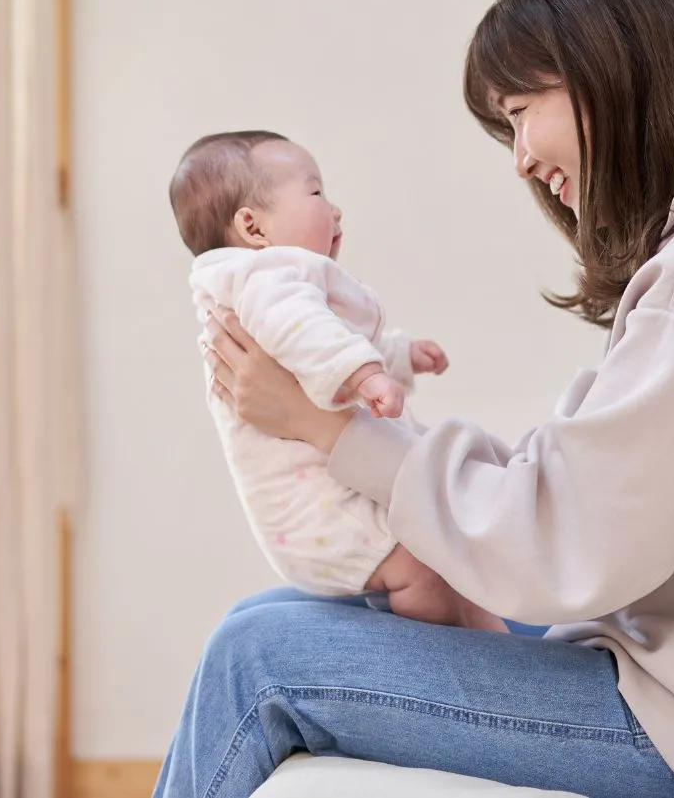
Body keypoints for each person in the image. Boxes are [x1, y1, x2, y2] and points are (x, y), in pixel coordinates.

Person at [152, 0, 674, 798]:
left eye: (517, 112)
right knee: (266, 617)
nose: (519, 159)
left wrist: (328, 428)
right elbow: (594, 502)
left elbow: (564, 545)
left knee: (257, 658)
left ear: (601, 75)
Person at [168, 130, 500, 627]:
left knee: (448, 562)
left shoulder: (269, 289)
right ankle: (450, 662)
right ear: (252, 227)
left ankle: (488, 643)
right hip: (322, 511)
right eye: (316, 192)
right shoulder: (266, 282)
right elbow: (311, 338)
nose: (335, 210)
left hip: (329, 500)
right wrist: (367, 373)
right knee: (423, 571)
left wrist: (398, 356)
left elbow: (323, 339)